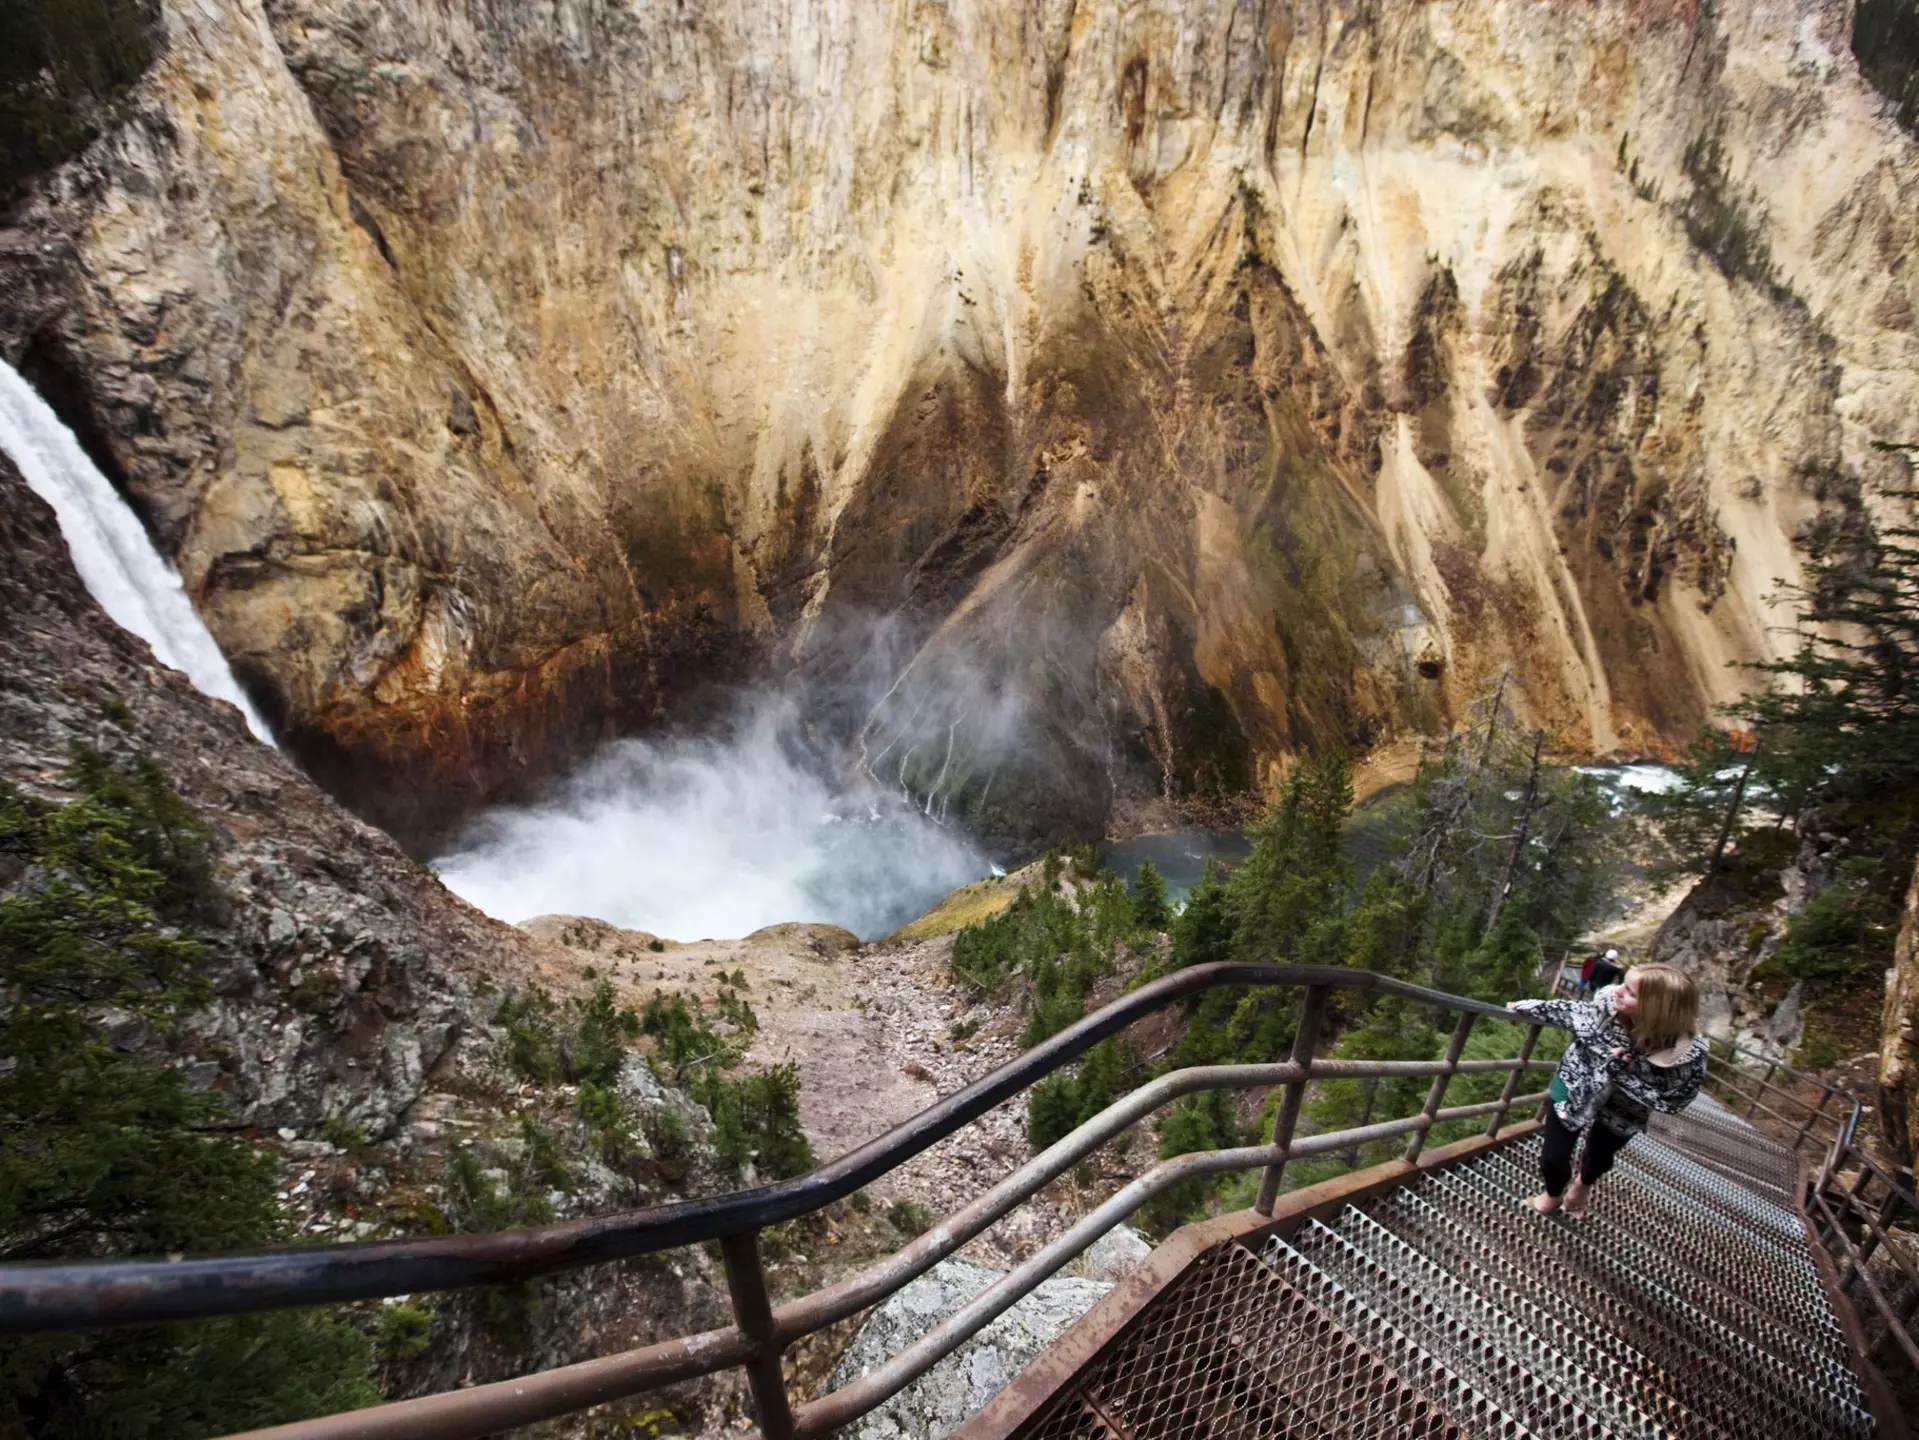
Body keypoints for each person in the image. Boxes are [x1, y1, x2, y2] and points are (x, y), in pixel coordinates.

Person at [1508, 963, 1707, 1219]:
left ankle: (1582, 1185)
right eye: (1623, 983)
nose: (1617, 991)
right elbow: (1576, 1013)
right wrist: (1528, 1007)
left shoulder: (1687, 1054)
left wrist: (1623, 1073)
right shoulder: (1607, 1006)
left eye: (1630, 992)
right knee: (1553, 1158)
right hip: (1577, 1081)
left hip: (1626, 1108)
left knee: (1599, 1158)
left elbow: (1677, 1099)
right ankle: (1553, 1194)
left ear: (1658, 1008)